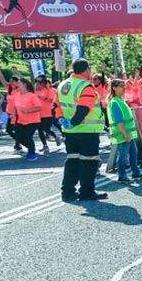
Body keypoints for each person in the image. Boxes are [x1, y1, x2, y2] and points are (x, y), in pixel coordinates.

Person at [58, 59, 108, 202]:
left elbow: (56, 106)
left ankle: (67, 193)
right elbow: (83, 110)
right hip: (87, 130)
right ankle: (86, 192)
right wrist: (73, 122)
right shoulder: (86, 87)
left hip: (70, 132)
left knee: (72, 160)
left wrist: (63, 120)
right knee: (89, 162)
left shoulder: (63, 85)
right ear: (86, 70)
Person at [108, 79, 142, 183]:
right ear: (114, 88)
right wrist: (125, 134)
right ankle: (122, 176)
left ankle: (136, 172)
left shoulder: (120, 100)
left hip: (128, 134)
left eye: (124, 85)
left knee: (134, 153)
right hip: (123, 134)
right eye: (120, 86)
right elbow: (119, 121)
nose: (124, 88)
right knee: (123, 156)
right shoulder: (115, 102)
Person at [12, 78, 43, 162]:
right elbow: (15, 107)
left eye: (19, 83)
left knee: (28, 137)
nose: (17, 84)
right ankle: (31, 148)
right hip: (21, 121)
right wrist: (13, 115)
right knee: (19, 137)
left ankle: (32, 153)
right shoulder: (17, 95)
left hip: (33, 121)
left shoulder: (32, 95)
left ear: (24, 84)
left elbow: (39, 107)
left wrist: (28, 110)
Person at [34, 76, 63, 154]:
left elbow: (51, 100)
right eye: (36, 82)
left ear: (44, 83)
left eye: (39, 82)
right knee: (40, 130)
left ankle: (56, 137)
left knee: (46, 129)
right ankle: (45, 146)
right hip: (38, 114)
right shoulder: (35, 91)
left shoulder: (49, 90)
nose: (37, 84)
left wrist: (42, 98)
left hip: (48, 113)